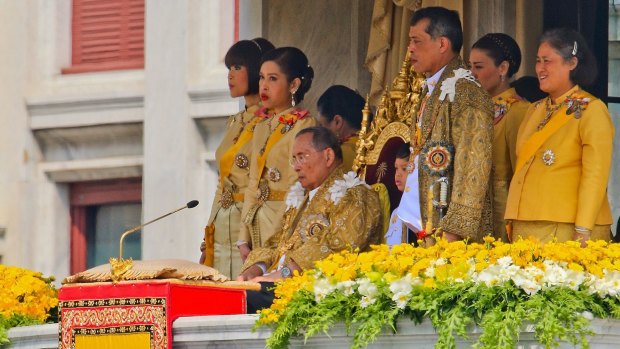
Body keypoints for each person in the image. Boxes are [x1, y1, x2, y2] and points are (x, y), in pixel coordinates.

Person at [237, 126, 383, 313]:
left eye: (302, 157)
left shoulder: (355, 195)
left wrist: (286, 272)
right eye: (294, 159)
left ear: (328, 156)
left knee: (244, 299)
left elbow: (340, 247)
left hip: (315, 289)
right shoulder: (299, 198)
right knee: (227, 293)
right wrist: (255, 269)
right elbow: (274, 244)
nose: (296, 166)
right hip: (273, 284)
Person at [505, 28, 614, 246]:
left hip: (566, 227)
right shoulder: (534, 109)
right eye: (537, 61)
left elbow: (595, 176)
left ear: (572, 63)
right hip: (525, 222)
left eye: (548, 61)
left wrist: (583, 230)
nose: (540, 69)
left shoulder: (592, 109)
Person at [397, 7, 494, 243]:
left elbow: (473, 170)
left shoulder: (467, 92)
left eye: (416, 41)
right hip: (426, 227)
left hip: (451, 238)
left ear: (442, 44)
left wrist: (454, 234)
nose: (410, 49)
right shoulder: (431, 87)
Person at [199, 38, 275, 278]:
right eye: (228, 69)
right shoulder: (234, 121)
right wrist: (206, 240)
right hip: (222, 225)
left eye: (237, 68)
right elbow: (222, 184)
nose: (230, 76)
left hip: (251, 225)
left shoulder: (275, 121)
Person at [237, 47, 317, 262]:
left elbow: (298, 186)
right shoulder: (262, 126)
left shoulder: (304, 125)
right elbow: (252, 181)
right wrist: (243, 236)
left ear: (293, 85)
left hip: (283, 222)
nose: (263, 85)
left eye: (273, 79)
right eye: (262, 78)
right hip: (256, 221)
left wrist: (276, 237)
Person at [469, 33, 529, 242]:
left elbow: (520, 174)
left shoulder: (519, 111)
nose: (471, 74)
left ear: (502, 69)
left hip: (501, 213)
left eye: (478, 67)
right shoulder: (474, 110)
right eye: (470, 67)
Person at [316, 85, 366, 170]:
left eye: (321, 125)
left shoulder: (340, 154)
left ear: (337, 122)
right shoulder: (371, 141)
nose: (319, 133)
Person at [385, 143, 415, 247]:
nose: (398, 174)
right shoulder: (395, 213)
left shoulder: (418, 213)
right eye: (396, 168)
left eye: (404, 168)